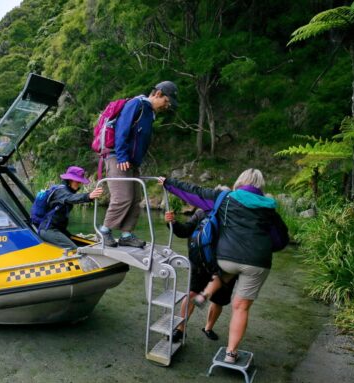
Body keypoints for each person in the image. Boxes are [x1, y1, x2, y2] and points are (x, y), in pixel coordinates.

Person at [160, 169, 289, 364]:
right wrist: (258, 247)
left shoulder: (225, 200)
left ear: (239, 183)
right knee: (239, 307)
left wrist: (169, 183)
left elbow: (194, 191)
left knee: (220, 294)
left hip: (227, 258)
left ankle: (208, 325)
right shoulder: (268, 208)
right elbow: (280, 241)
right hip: (240, 261)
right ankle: (227, 352)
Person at [99, 81, 179, 248]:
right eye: (166, 101)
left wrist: (133, 161)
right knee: (122, 197)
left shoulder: (150, 113)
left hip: (131, 162)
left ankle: (126, 235)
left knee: (136, 198)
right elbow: (122, 129)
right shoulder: (137, 104)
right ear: (157, 94)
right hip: (117, 157)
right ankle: (105, 231)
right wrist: (121, 156)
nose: (167, 106)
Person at [164, 205, 236, 343]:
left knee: (218, 300)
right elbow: (184, 231)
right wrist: (172, 222)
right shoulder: (202, 212)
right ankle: (180, 329)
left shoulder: (236, 215)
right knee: (191, 294)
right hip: (200, 265)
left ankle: (208, 328)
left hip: (225, 266)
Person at [38, 166, 103, 250]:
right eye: (77, 181)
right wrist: (88, 196)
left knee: (81, 245)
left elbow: (71, 197)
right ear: (70, 180)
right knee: (74, 250)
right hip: (49, 230)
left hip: (60, 230)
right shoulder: (60, 191)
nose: (79, 183)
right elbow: (70, 198)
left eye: (80, 181)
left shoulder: (67, 191)